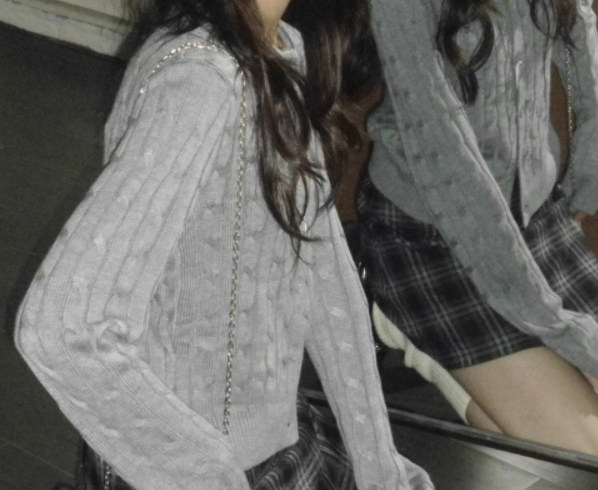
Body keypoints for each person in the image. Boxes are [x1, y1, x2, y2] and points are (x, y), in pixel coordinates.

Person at [13, 0, 434, 488]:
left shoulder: (279, 48)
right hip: (206, 464)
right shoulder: (201, 79)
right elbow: (62, 329)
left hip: (272, 435)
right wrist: (212, 475)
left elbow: (327, 279)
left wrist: (380, 466)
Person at [358, 0, 598, 469]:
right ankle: (414, 336)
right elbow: (448, 167)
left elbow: (573, 23)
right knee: (590, 460)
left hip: (532, 214)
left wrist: (596, 159)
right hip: (431, 235)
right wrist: (563, 329)